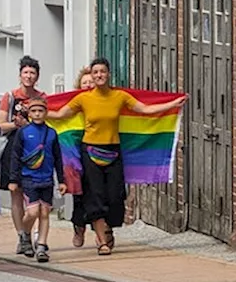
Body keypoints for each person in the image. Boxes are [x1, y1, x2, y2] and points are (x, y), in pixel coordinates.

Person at [46, 58, 185, 256]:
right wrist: (35, 111)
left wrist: (172, 104)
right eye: (95, 72)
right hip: (90, 150)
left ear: (108, 73)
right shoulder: (83, 99)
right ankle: (102, 241)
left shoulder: (120, 96)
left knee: (115, 195)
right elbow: (60, 115)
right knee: (95, 196)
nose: (99, 75)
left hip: (113, 151)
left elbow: (144, 109)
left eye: (102, 71)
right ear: (92, 76)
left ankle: (108, 230)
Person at [0, 56, 48, 256]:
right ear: (20, 75)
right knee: (16, 192)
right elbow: (1, 124)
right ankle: (22, 236)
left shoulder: (42, 97)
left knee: (35, 193)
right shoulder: (10, 96)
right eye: (25, 72)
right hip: (15, 147)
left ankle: (31, 234)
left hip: (37, 147)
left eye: (32, 73)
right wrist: (17, 124)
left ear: (37, 76)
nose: (29, 76)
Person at [6, 98, 67, 263]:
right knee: (32, 212)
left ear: (46, 113)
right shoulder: (23, 132)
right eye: (34, 111)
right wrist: (13, 179)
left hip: (47, 179)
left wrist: (61, 180)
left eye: (41, 111)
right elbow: (16, 156)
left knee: (45, 212)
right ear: (29, 113)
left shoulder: (52, 133)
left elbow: (58, 158)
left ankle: (41, 245)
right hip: (29, 178)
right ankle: (24, 234)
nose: (37, 114)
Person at [69, 67, 96, 247]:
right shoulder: (73, 104)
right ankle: (79, 228)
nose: (88, 86)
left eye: (91, 83)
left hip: (98, 154)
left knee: (98, 194)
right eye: (84, 83)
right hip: (77, 156)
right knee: (79, 194)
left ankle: (100, 231)